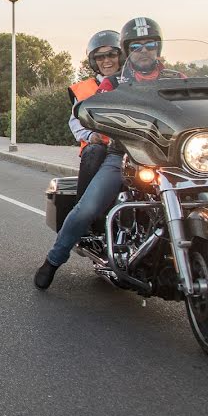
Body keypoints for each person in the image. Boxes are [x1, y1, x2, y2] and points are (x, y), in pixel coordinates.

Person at [34, 17, 169, 290]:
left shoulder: (176, 79)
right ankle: (53, 260)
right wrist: (96, 133)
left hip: (169, 159)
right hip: (123, 156)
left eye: (150, 45)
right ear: (128, 50)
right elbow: (90, 114)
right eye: (136, 46)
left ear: (159, 48)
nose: (144, 51)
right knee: (86, 209)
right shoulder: (112, 84)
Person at [67, 31, 123, 199]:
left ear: (121, 55)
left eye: (112, 54)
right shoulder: (85, 88)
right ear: (94, 61)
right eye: (100, 57)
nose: (106, 61)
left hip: (136, 146)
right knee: (94, 152)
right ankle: (83, 207)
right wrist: (91, 135)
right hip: (102, 146)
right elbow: (75, 122)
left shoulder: (136, 82)